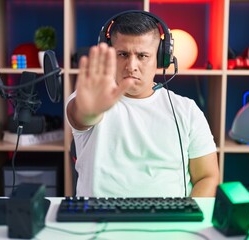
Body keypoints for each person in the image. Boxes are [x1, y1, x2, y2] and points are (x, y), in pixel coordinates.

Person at [65, 10, 219, 197]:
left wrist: (188, 218)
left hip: (169, 222)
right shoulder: (90, 98)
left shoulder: (187, 110)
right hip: (100, 220)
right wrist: (88, 111)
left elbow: (207, 176)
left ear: (161, 59)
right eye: (122, 54)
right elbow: (81, 116)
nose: (131, 66)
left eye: (142, 56)